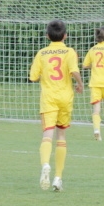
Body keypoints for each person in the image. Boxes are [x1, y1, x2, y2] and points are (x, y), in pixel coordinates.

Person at [29, 20, 84, 192]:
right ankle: (58, 178)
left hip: (49, 99)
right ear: (65, 35)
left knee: (47, 134)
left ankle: (45, 164)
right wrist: (80, 83)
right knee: (61, 136)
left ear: (47, 36)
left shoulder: (42, 53)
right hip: (65, 98)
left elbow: (33, 76)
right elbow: (74, 71)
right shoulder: (69, 52)